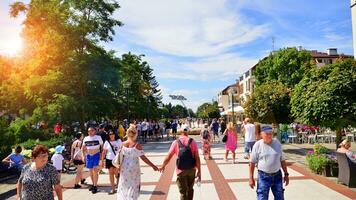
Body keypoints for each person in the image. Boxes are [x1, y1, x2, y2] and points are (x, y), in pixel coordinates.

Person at [116, 125, 158, 200]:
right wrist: (153, 166)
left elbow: (119, 156)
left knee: (124, 184)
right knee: (134, 185)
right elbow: (143, 158)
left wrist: (119, 167)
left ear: (127, 133)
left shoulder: (122, 144)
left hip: (124, 167)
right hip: (134, 167)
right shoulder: (137, 145)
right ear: (135, 134)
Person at [160, 124, 201, 200]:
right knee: (190, 189)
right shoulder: (193, 142)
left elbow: (169, 156)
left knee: (183, 192)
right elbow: (197, 157)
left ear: (181, 131)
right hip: (192, 169)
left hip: (181, 170)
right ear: (188, 131)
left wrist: (163, 166)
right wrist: (199, 171)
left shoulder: (176, 142)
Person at [249, 126, 289, 200]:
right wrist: (251, 178)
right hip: (263, 177)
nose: (269, 135)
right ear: (261, 134)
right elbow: (252, 162)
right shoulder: (257, 145)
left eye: (270, 133)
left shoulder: (277, 143)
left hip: (277, 175)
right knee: (262, 198)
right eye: (266, 134)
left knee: (279, 198)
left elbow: (282, 160)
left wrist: (286, 174)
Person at [82, 126, 104, 194]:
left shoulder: (98, 137)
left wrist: (101, 157)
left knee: (95, 170)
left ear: (95, 131)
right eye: (88, 131)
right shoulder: (86, 138)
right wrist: (83, 156)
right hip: (88, 156)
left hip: (96, 155)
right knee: (90, 171)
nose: (90, 132)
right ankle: (93, 184)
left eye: (91, 130)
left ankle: (95, 185)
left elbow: (102, 147)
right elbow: (83, 148)